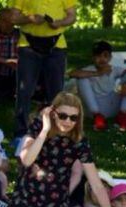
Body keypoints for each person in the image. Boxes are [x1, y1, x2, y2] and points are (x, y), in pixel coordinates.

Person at [9, 0, 76, 138]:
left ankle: (57, 131)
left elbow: (72, 16)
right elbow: (13, 18)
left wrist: (60, 22)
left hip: (56, 45)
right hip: (28, 45)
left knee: (56, 92)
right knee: (24, 91)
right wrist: (29, 18)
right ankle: (20, 132)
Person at [70, 40, 126, 132]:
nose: (102, 59)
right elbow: (72, 73)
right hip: (92, 110)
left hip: (112, 107)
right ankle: (97, 118)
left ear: (110, 58)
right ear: (93, 58)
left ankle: (122, 115)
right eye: (98, 56)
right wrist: (98, 73)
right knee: (82, 79)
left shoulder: (114, 69)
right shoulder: (89, 69)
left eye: (105, 56)